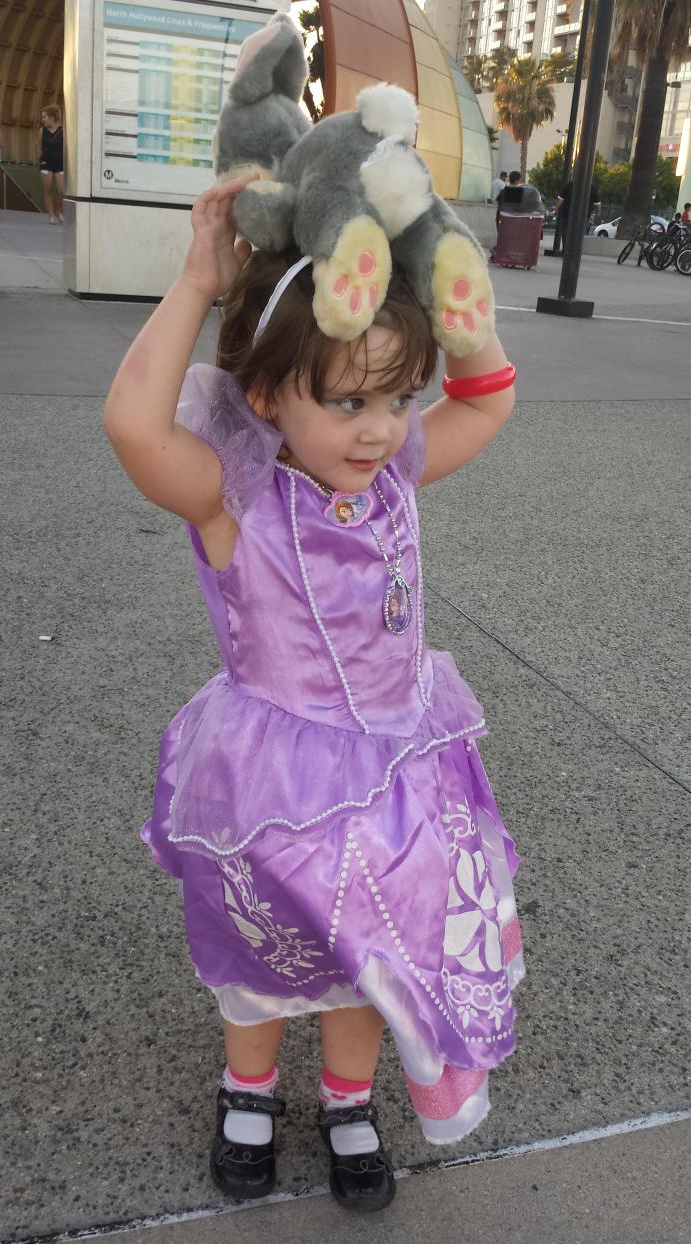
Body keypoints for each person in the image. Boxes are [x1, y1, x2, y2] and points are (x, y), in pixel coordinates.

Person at [104, 176, 523, 1212]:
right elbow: (133, 426)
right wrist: (197, 283)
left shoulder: (394, 475)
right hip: (269, 782)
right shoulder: (233, 497)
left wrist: (449, 283)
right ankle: (246, 1086)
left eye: (398, 396)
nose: (381, 428)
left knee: (367, 960)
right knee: (259, 954)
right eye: (347, 401)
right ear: (264, 395)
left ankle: (347, 1098)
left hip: (392, 773)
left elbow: (486, 398)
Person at [556, 176, 600, 244]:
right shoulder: (591, 188)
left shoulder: (569, 185)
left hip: (567, 215)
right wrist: (597, 213)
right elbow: (597, 204)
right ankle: (576, 248)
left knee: (565, 234)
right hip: (583, 217)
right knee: (579, 236)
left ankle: (566, 248)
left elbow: (560, 200)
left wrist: (556, 211)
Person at [38, 105, 64, 223]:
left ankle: (58, 210)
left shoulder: (62, 131)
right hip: (46, 162)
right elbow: (39, 147)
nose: (43, 119)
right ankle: (51, 214)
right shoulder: (42, 131)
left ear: (52, 118)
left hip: (59, 163)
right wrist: (40, 160)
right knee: (48, 189)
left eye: (44, 117)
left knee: (61, 190)